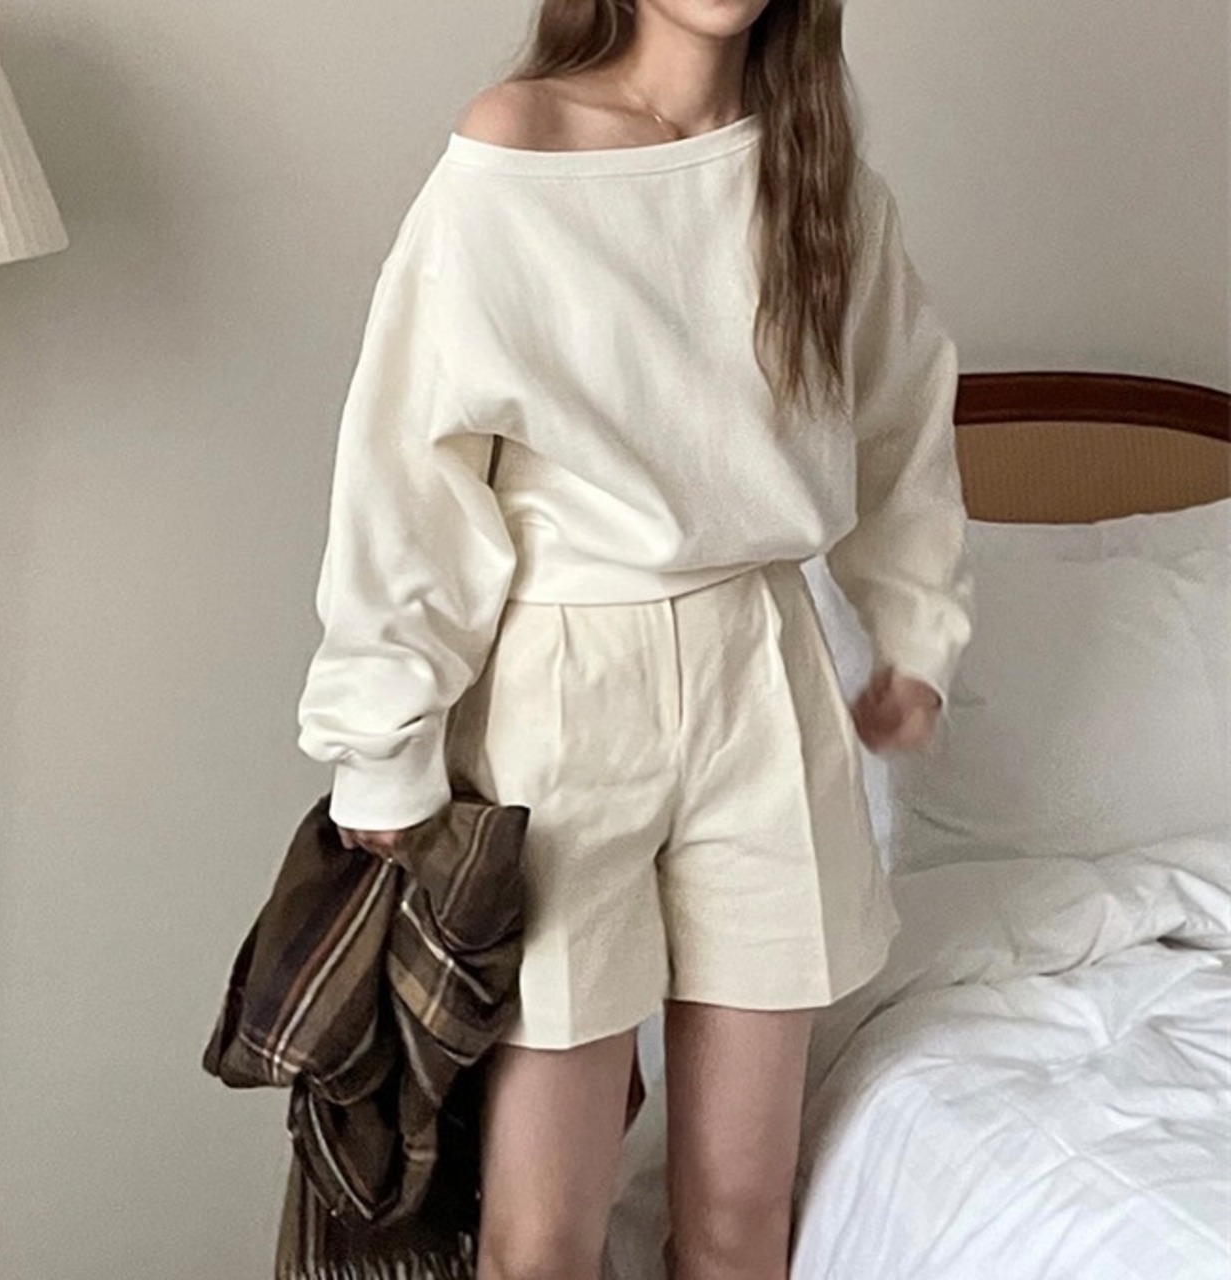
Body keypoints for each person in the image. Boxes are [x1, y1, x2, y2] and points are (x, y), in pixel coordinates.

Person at [295, 1, 974, 1277]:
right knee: (539, 1234)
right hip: (563, 688)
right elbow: (409, 463)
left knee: (738, 1216)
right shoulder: (519, 142)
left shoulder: (815, 169)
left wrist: (912, 633)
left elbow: (898, 422)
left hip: (762, 672)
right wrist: (381, 742)